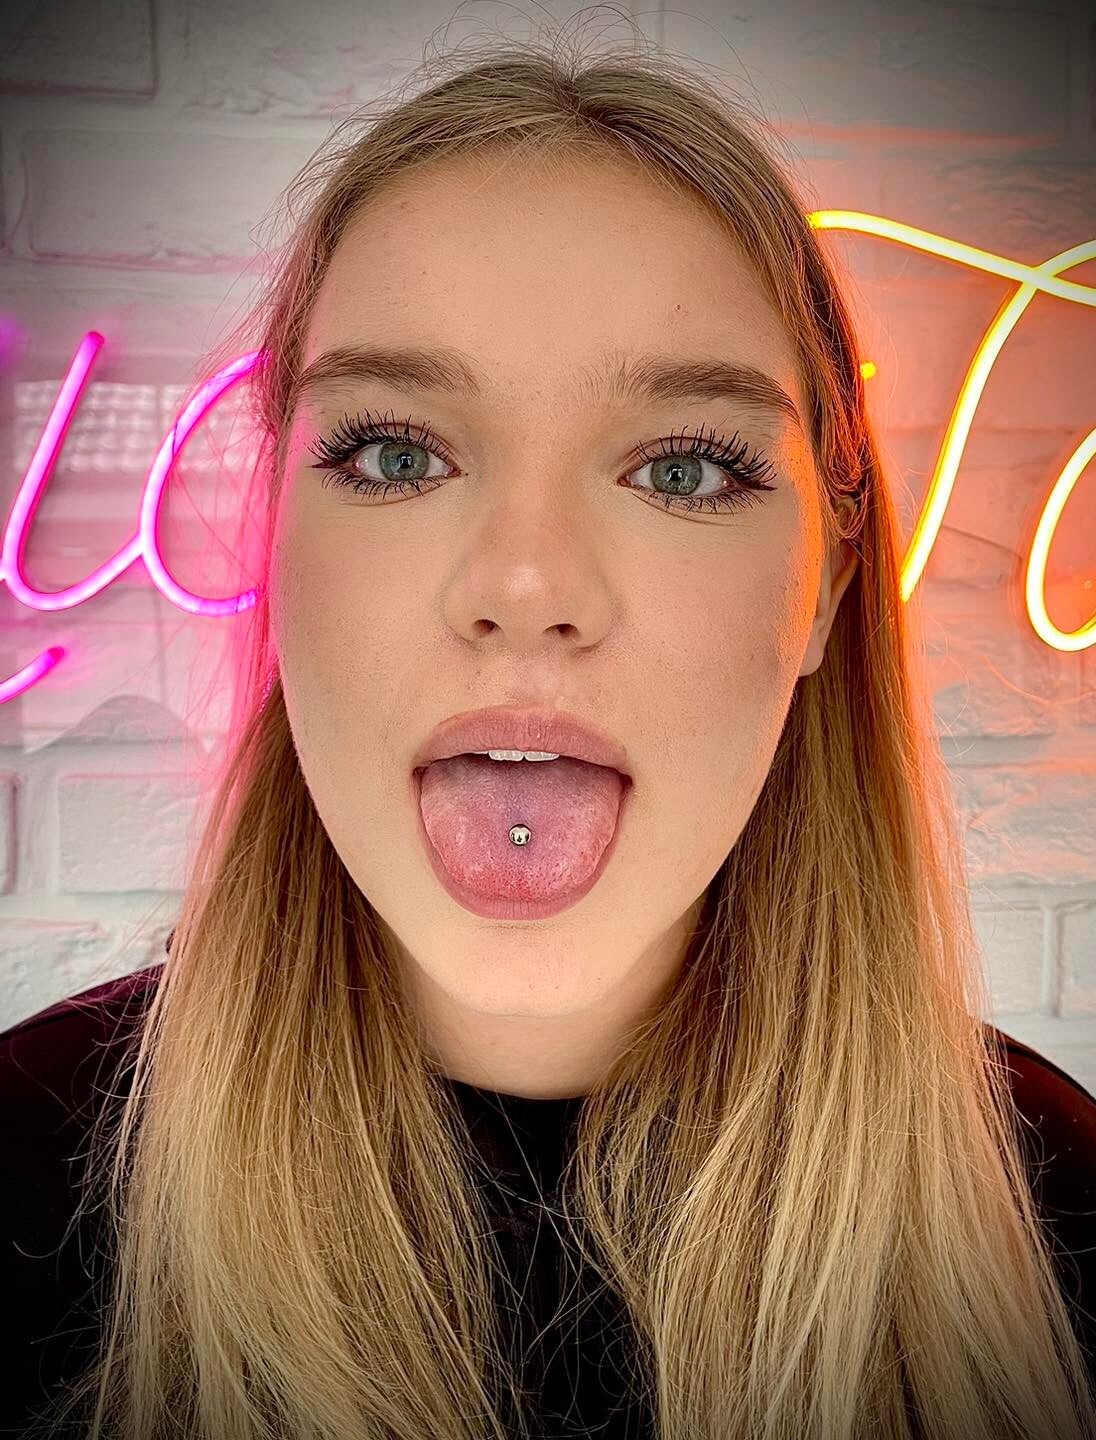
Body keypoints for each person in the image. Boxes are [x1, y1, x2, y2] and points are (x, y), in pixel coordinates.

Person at [2, 22, 1094, 1440]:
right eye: (396, 452)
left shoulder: (1058, 1208)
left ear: (825, 587)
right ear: (280, 536)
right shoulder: (22, 1167)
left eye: (684, 468)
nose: (526, 587)